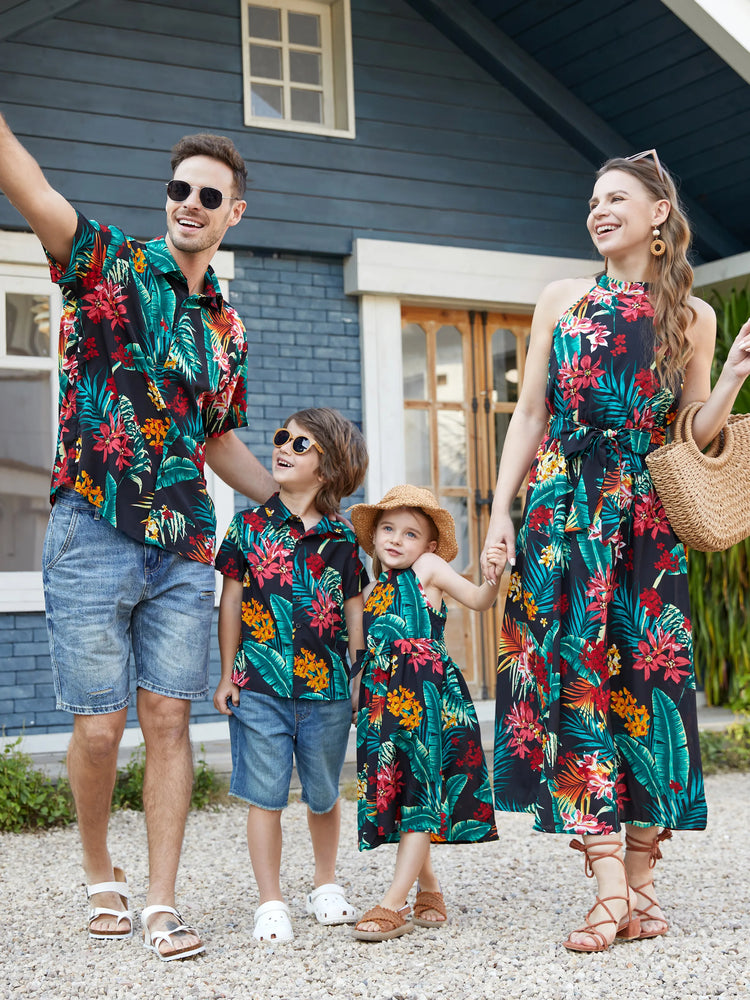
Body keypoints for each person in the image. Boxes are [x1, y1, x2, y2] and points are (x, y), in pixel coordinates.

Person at [0, 113, 277, 960]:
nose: (189, 203)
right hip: (92, 528)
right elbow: (29, 185)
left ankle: (161, 900)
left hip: (186, 545)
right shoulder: (105, 264)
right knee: (97, 729)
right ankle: (99, 871)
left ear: (234, 213)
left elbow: (217, 439)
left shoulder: (227, 329)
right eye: (178, 188)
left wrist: (294, 504)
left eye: (208, 196)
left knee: (168, 722)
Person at [480, 149, 750, 952]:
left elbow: (690, 433)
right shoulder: (562, 299)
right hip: (563, 511)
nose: (598, 210)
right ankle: (607, 891)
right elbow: (530, 414)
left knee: (647, 686)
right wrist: (500, 514)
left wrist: (732, 379)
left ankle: (642, 886)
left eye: (616, 198)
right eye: (593, 200)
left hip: (645, 524)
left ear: (659, 213)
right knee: (575, 682)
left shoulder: (693, 317)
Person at [213, 407, 369, 944]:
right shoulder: (247, 527)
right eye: (283, 437)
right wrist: (227, 674)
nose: (282, 446)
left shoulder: (343, 539)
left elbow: (354, 612)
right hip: (259, 685)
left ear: (329, 467)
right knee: (266, 796)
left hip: (328, 690)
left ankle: (325, 883)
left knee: (324, 794)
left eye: (300, 444)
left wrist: (356, 678)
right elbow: (230, 604)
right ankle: (270, 900)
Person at [348, 485, 506, 941]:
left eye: (410, 533)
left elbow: (479, 600)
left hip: (425, 699)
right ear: (375, 536)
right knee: (404, 795)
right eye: (388, 529)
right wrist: (360, 701)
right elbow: (366, 652)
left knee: (419, 792)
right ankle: (429, 888)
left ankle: (393, 902)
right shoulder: (373, 590)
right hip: (383, 703)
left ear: (429, 545)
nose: (396, 540)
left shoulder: (428, 569)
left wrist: (493, 576)